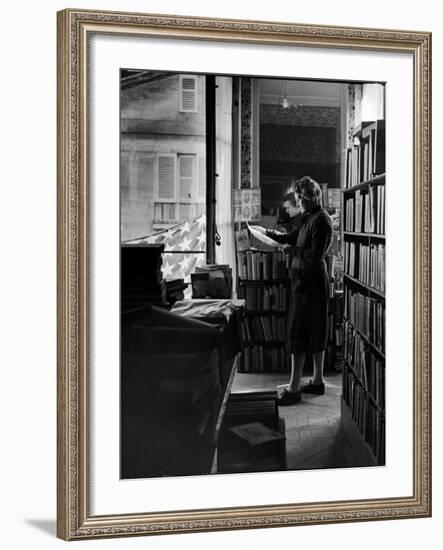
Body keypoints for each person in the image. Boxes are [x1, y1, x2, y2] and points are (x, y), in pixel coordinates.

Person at [254, 176, 333, 405]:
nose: (298, 203)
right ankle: (316, 382)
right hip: (304, 280)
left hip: (312, 282)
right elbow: (293, 238)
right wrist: (269, 234)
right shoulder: (309, 217)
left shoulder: (322, 221)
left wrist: (290, 251)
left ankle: (294, 388)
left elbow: (313, 256)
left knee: (301, 332)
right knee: (307, 330)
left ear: (308, 197)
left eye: (299, 198)